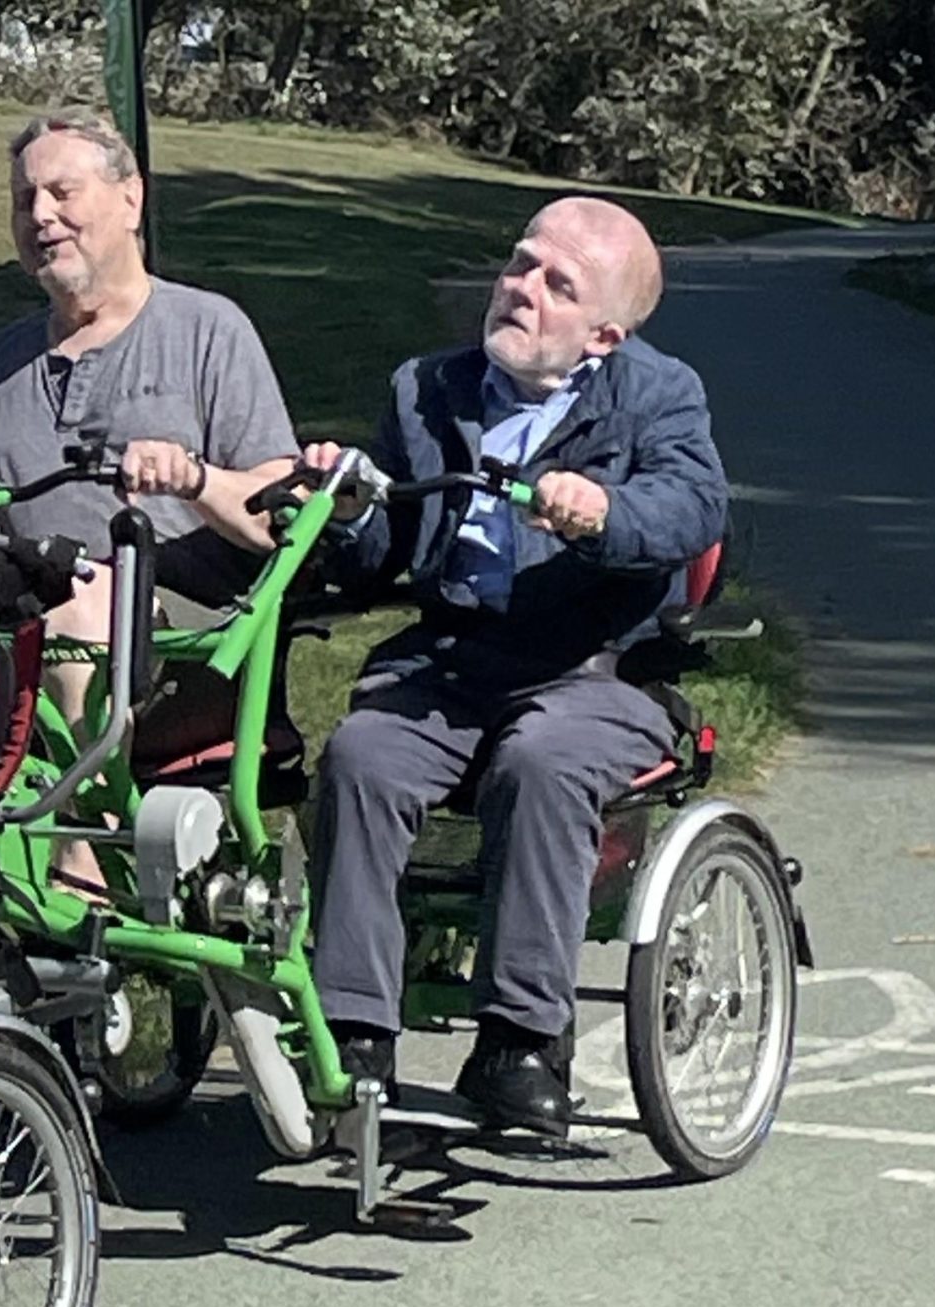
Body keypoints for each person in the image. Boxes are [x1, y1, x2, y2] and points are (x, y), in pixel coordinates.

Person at [300, 197, 728, 1135]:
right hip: (453, 664)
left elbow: (694, 508)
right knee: (361, 758)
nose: (522, 289)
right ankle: (353, 1034)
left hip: (595, 669)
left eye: (557, 284)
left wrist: (605, 511)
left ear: (605, 335)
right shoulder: (426, 387)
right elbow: (384, 550)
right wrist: (348, 511)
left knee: (542, 763)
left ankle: (521, 1043)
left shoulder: (658, 394)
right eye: (521, 264)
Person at [0, 109, 300, 706]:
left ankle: (78, 772)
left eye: (62, 192)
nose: (40, 215)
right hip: (15, 619)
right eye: (24, 200)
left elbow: (278, 518)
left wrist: (194, 479)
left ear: (131, 200)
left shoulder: (207, 330)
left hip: (189, 643)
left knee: (81, 612)